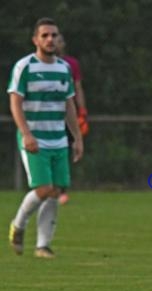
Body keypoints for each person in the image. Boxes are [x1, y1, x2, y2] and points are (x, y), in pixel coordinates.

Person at [7, 17, 84, 259]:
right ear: (35, 40)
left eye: (53, 35)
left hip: (58, 139)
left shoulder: (63, 68)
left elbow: (69, 104)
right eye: (45, 35)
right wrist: (26, 133)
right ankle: (18, 225)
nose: (50, 39)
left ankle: (43, 245)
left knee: (56, 190)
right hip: (35, 138)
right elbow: (15, 101)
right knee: (44, 188)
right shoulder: (25, 67)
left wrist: (77, 138)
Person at [54, 33, 89, 205]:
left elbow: (77, 87)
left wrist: (81, 109)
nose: (55, 42)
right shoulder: (38, 64)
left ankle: (62, 189)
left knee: (64, 148)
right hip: (49, 114)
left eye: (58, 39)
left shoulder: (70, 64)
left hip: (65, 112)